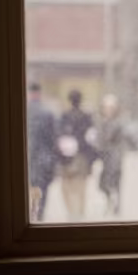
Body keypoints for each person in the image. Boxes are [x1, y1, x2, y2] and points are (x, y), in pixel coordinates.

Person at [57, 88, 96, 221]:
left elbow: (60, 137)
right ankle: (80, 212)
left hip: (67, 157)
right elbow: (91, 139)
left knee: (67, 186)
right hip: (83, 156)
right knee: (81, 187)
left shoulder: (64, 116)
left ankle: (71, 212)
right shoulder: (87, 117)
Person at [96, 94, 134, 217]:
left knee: (114, 182)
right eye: (105, 108)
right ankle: (111, 202)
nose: (107, 111)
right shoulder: (102, 122)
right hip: (106, 158)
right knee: (103, 184)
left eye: (110, 108)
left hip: (115, 158)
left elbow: (109, 138)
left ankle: (116, 206)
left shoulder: (117, 123)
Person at [26, 82, 60, 221]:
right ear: (40, 94)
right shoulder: (47, 113)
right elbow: (53, 138)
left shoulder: (22, 110)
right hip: (44, 158)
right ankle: (39, 214)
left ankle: (29, 214)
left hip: (27, 158)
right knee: (42, 189)